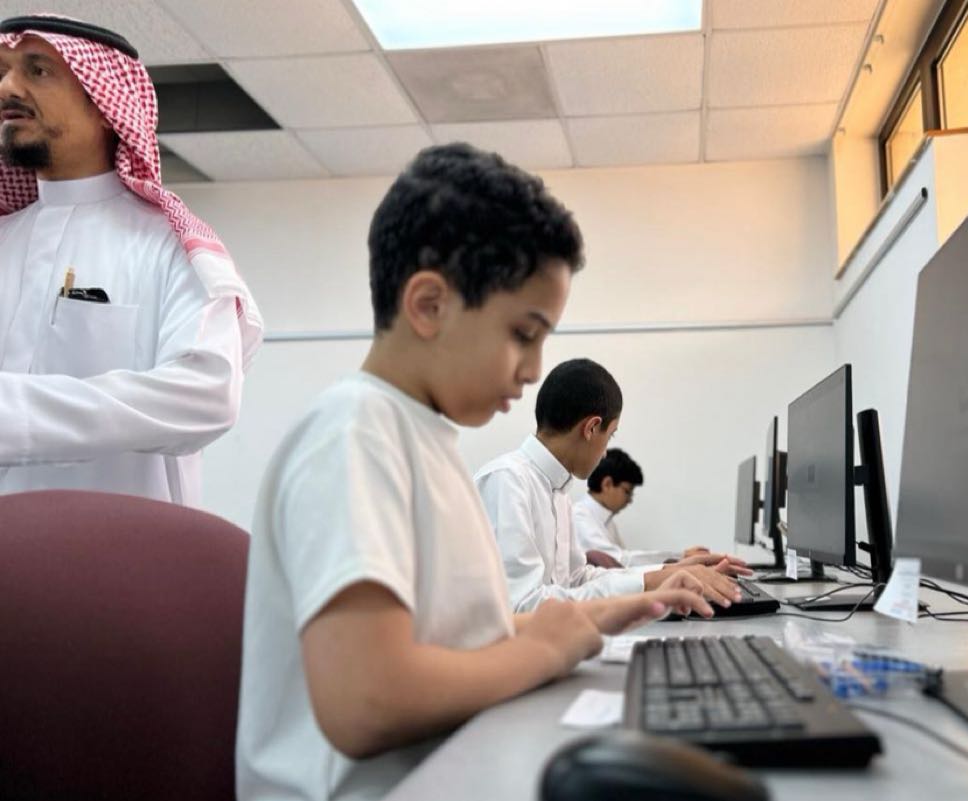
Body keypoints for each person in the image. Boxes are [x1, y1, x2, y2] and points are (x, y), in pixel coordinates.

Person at [236, 143, 711, 801]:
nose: (534, 369)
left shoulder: (422, 440)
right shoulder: (354, 434)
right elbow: (366, 702)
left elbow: (462, 637)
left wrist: (608, 613)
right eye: (523, 333)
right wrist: (544, 651)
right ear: (430, 305)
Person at [0, 15, 261, 506]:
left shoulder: (169, 245)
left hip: (120, 550)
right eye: (3, 71)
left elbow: (206, 395)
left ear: (106, 106)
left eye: (38, 70)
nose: (7, 87)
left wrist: (16, 414)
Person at [476, 358, 751, 613]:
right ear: (591, 428)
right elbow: (522, 606)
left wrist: (667, 573)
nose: (605, 451)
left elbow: (577, 579)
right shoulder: (507, 481)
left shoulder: (557, 491)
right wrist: (654, 580)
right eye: (610, 435)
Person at [574, 448, 716, 568]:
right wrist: (680, 556)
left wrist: (679, 559)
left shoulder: (607, 521)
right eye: (627, 491)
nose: (630, 500)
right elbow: (620, 561)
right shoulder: (580, 517)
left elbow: (624, 566)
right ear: (607, 484)